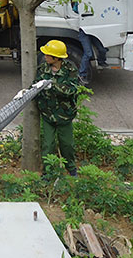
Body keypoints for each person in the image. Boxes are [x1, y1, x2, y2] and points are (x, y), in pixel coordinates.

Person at [33, 39, 80, 176]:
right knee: (48, 145)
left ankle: (71, 169)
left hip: (64, 115)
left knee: (67, 145)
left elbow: (72, 90)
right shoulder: (42, 69)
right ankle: (48, 173)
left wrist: (53, 86)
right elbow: (35, 84)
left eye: (48, 55)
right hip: (47, 114)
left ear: (56, 57)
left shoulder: (70, 70)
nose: (45, 57)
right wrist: (29, 91)